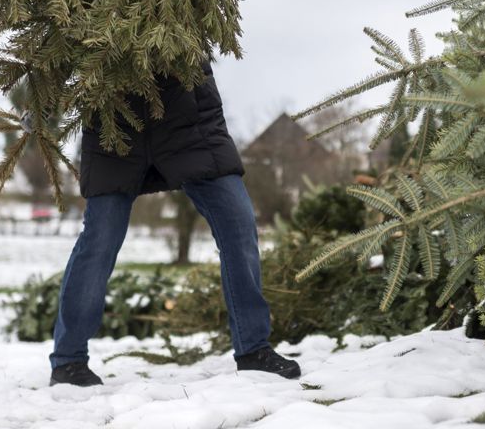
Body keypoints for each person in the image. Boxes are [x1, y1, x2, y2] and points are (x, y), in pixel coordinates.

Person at [48, 58, 300, 386]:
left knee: (238, 223)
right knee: (99, 238)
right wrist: (41, 105)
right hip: (114, 116)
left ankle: (253, 349)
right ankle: (68, 361)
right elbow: (57, 36)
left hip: (188, 114)